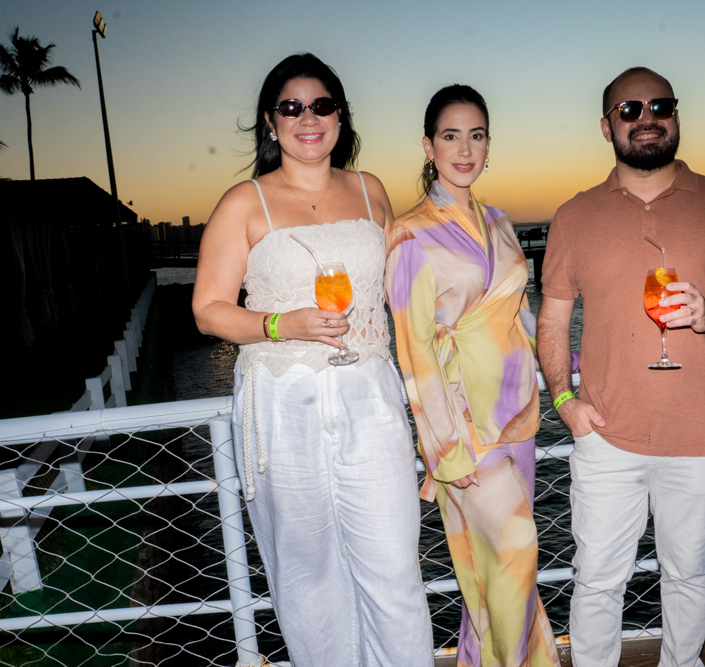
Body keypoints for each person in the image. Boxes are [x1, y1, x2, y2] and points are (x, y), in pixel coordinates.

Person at [536, 67, 705, 667]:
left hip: (700, 435)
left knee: (689, 574)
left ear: (676, 115)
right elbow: (550, 321)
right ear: (607, 127)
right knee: (596, 579)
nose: (646, 118)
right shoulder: (574, 216)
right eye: (628, 110)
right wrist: (565, 403)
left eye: (659, 105)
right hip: (605, 435)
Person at [192, 53, 432, 667]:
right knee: (307, 577)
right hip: (283, 402)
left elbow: (402, 291)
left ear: (340, 115)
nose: (307, 118)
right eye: (291, 107)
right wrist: (280, 324)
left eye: (321, 105)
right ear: (270, 122)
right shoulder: (244, 202)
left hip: (371, 395)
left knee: (393, 567)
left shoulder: (370, 189)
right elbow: (209, 310)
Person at [385, 85, 560, 667]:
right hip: (464, 425)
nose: (465, 149)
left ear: (489, 145)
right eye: (451, 135)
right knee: (517, 555)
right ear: (430, 146)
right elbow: (414, 352)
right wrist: (446, 450)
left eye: (477, 135)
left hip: (518, 414)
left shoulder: (500, 221)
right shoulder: (410, 233)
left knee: (491, 576)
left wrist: (568, 362)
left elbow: (520, 311)